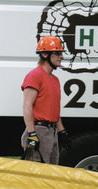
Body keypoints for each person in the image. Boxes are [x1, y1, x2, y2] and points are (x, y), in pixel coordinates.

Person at [21, 35, 71, 164]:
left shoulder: (55, 80)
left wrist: (62, 132)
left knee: (50, 174)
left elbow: (54, 110)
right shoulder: (35, 76)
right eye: (57, 53)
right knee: (36, 175)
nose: (62, 56)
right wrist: (32, 134)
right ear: (44, 54)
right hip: (39, 131)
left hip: (52, 132)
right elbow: (27, 106)